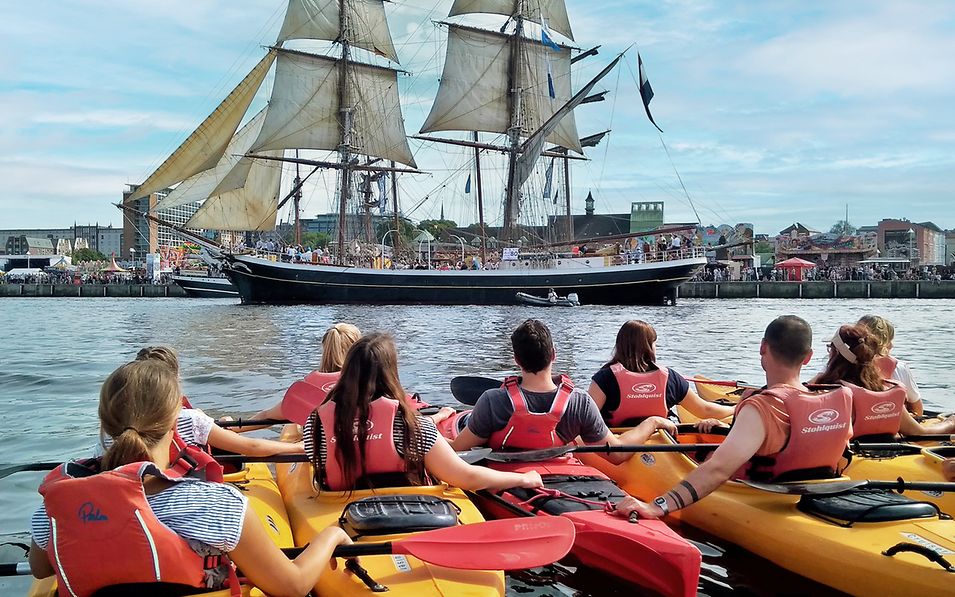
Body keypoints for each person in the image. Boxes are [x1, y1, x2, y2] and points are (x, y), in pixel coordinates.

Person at [29, 360, 350, 596]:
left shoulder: (55, 506)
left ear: (105, 423)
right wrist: (333, 534)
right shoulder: (214, 505)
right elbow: (292, 587)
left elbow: (41, 569)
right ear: (175, 422)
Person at [613, 316, 853, 519]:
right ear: (808, 356)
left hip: (764, 498)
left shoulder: (762, 407)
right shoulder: (840, 399)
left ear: (763, 348)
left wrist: (656, 506)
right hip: (824, 493)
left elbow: (718, 470)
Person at [304, 332, 542, 492]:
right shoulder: (412, 426)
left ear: (348, 371)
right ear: (391, 372)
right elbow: (465, 477)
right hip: (409, 509)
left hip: (339, 508)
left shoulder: (315, 422)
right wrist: (523, 478)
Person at [450, 320, 676, 464]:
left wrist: (437, 422)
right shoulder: (580, 402)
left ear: (516, 360)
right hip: (560, 476)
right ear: (553, 355)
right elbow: (617, 455)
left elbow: (456, 451)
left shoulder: (493, 400)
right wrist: (653, 422)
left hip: (505, 474)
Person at [133, 346, 303, 456]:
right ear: (176, 379)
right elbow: (251, 447)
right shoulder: (191, 420)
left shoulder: (124, 423)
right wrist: (299, 448)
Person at [810, 324, 954, 439]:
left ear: (834, 354)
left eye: (830, 348)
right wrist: (949, 423)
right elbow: (918, 433)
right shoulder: (885, 391)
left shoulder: (822, 390)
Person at [588, 321, 735, 431]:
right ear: (649, 346)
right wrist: (736, 408)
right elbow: (705, 410)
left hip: (619, 441)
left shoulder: (604, 378)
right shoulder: (670, 377)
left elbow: (585, 417)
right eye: (654, 343)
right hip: (661, 440)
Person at [857, 315, 924, 416]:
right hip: (892, 424)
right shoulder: (899, 368)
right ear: (882, 343)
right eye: (889, 340)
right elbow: (918, 410)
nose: (892, 345)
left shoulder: (841, 366)